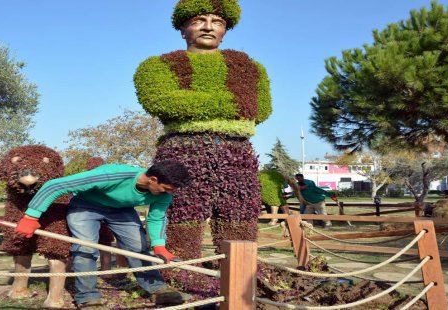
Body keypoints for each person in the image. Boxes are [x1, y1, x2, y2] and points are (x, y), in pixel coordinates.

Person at [134, 0, 272, 259]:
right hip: (182, 150)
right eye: (199, 21)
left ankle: (239, 275)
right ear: (183, 29)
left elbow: (260, 110)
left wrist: (199, 101)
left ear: (225, 30)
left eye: (217, 22)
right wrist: (235, 102)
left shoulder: (251, 68)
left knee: (239, 212)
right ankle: (182, 271)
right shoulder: (157, 66)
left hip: (238, 152)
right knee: (183, 211)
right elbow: (162, 101)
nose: (208, 27)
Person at [14, 160, 191, 309]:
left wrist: (159, 245)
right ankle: (87, 297)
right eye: (166, 188)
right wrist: (31, 216)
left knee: (138, 247)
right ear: (153, 179)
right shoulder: (113, 175)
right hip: (86, 205)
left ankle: (158, 289)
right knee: (85, 248)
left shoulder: (164, 193)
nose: (169, 193)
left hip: (121, 210)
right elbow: (56, 185)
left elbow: (157, 217)